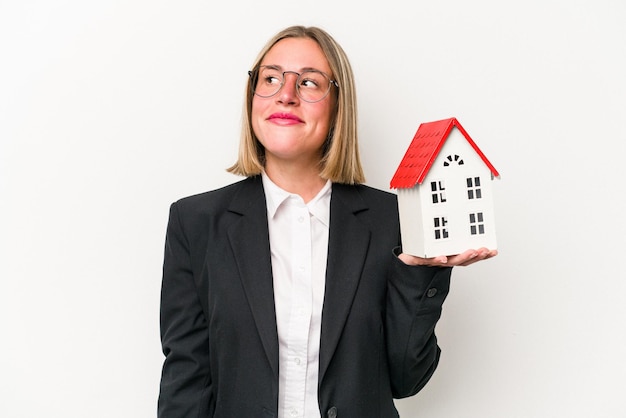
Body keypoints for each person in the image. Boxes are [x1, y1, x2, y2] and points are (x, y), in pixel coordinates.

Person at [157, 25, 497, 418]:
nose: (286, 95)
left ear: (338, 105)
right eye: (270, 79)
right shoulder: (195, 223)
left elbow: (407, 379)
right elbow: (186, 380)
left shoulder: (392, 222)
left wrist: (421, 275)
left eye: (309, 83)